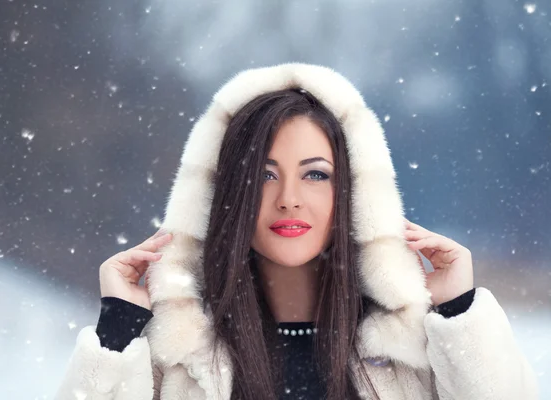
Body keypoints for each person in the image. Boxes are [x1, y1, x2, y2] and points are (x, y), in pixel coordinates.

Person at [55, 63, 538, 400]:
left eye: (315, 174)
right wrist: (117, 329)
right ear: (225, 195)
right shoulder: (173, 353)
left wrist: (458, 309)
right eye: (264, 174)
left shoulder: (416, 348)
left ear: (352, 194)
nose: (289, 197)